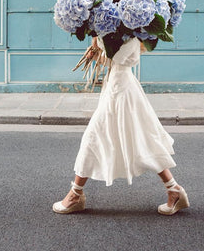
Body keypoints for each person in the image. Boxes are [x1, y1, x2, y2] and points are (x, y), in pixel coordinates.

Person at [53, 36, 189, 216]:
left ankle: (75, 195)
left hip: (120, 91)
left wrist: (98, 39)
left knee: (93, 137)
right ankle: (174, 190)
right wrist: (97, 39)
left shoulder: (130, 30)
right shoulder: (123, 26)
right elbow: (112, 56)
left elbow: (126, 56)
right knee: (143, 140)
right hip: (118, 86)